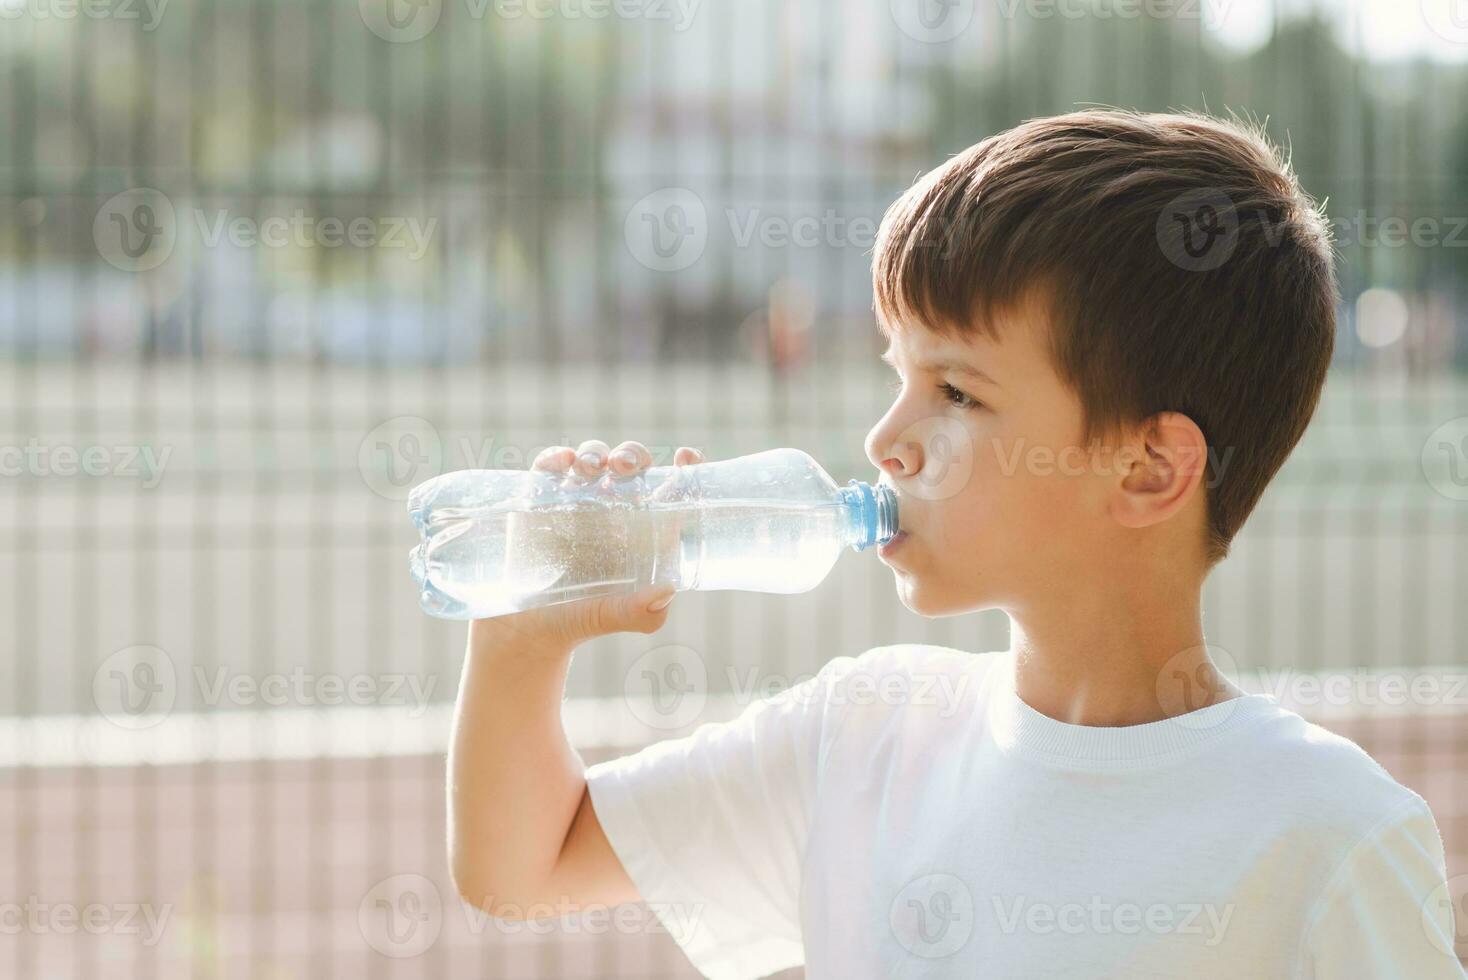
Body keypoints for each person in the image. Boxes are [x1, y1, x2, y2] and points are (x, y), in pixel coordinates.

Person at [445, 109, 1466, 978]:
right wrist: (522, 637)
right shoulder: (864, 734)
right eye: (898, 373)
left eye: (956, 392)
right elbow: (522, 862)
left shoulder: (1325, 833)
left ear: (1149, 468)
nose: (885, 440)